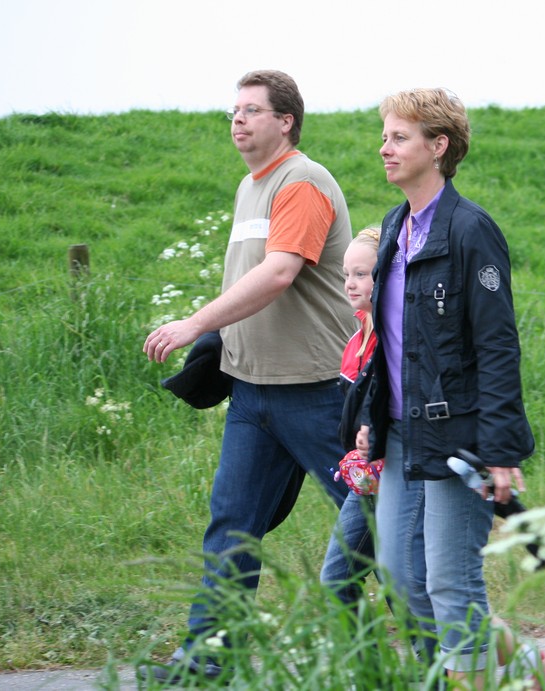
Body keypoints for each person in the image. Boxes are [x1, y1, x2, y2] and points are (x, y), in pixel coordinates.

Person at [139, 69, 364, 684]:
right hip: (252, 394)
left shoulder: (302, 182)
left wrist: (192, 325)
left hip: (317, 392)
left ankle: (443, 648)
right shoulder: (250, 187)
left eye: (252, 110)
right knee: (232, 528)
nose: (237, 120)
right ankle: (208, 661)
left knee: (376, 521)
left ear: (285, 121)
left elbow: (279, 273)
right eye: (233, 111)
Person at [368, 87, 545, 689]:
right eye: (384, 136)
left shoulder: (472, 230)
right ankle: (524, 665)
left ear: (439, 146)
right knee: (401, 576)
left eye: (400, 137)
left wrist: (500, 449)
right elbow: (388, 340)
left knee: (451, 581)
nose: (385, 148)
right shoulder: (394, 226)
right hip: (400, 432)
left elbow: (498, 346)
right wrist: (369, 418)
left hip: (457, 435)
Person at [319, 226, 381, 604]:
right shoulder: (356, 340)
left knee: (415, 584)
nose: (350, 283)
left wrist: (375, 429)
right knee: (339, 580)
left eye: (361, 274)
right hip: (368, 481)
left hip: (399, 477)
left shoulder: (397, 337)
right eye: (346, 274)